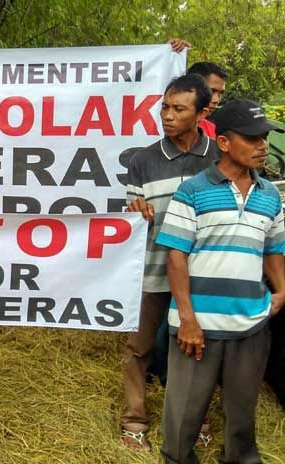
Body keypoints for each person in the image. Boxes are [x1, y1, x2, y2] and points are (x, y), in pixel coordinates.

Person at [156, 99, 285, 463]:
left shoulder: (270, 195)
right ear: (225, 143)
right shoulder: (193, 191)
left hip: (250, 323)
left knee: (242, 418)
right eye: (253, 138)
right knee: (183, 418)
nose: (262, 146)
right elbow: (176, 255)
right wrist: (188, 319)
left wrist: (282, 291)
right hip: (197, 327)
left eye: (264, 138)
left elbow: (274, 249)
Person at [120, 73, 219, 451]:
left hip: (205, 275)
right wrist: (135, 208)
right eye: (164, 106)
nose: (167, 115)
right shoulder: (142, 160)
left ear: (201, 113)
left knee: (198, 349)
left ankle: (197, 421)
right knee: (138, 348)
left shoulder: (220, 157)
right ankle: (133, 422)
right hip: (153, 271)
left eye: (178, 108)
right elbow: (131, 210)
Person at [186, 62, 228, 139]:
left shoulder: (213, 131)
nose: (216, 100)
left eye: (220, 93)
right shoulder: (165, 123)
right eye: (211, 91)